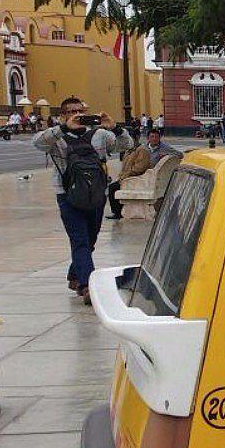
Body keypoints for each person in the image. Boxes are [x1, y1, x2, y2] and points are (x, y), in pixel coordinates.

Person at [32, 96, 134, 302]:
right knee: (80, 240)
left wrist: (114, 127)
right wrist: (63, 128)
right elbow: (38, 142)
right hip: (67, 195)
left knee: (90, 240)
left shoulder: (99, 135)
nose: (77, 115)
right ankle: (87, 286)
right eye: (71, 112)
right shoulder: (57, 137)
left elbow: (126, 145)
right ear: (63, 115)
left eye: (80, 111)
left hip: (96, 193)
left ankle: (74, 275)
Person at [106, 128, 180, 219]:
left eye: (156, 137)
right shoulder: (132, 150)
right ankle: (117, 212)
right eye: (152, 136)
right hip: (134, 176)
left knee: (113, 187)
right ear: (148, 138)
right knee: (113, 187)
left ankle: (117, 213)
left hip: (142, 177)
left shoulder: (145, 150)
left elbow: (140, 168)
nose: (154, 139)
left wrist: (127, 175)